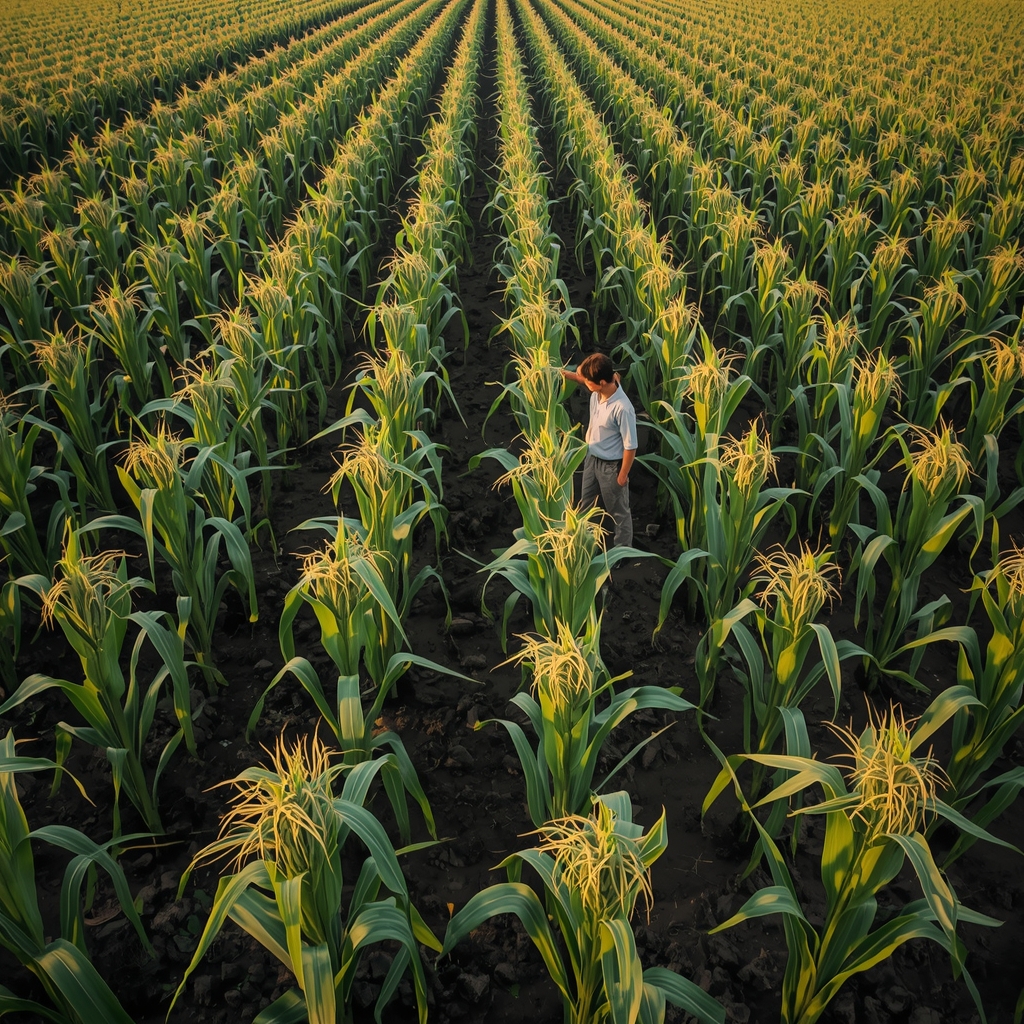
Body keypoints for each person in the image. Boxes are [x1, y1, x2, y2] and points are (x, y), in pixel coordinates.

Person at [560, 352, 637, 548]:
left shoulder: (622, 408)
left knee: (618, 511)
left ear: (601, 382)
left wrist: (622, 476)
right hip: (591, 459)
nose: (585, 384)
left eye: (588, 382)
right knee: (586, 504)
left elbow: (630, 446)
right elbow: (580, 377)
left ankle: (622, 551)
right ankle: (585, 545)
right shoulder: (601, 388)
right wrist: (558, 373)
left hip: (611, 467)